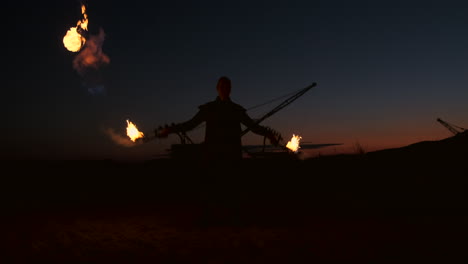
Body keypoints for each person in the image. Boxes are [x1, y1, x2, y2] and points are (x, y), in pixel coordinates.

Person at [157, 76, 281, 166]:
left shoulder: (237, 110)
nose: (225, 89)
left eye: (227, 86)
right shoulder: (208, 108)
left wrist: (269, 135)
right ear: (217, 88)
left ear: (230, 89)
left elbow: (253, 127)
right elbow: (190, 125)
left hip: (233, 158)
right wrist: (170, 130)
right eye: (222, 86)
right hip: (212, 158)